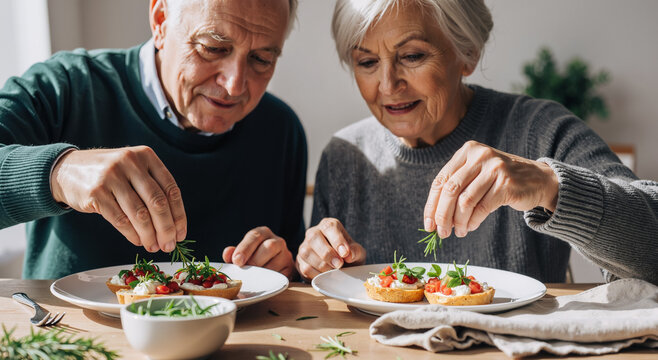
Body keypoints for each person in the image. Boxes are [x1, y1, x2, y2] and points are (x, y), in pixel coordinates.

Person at [297, 0, 658, 285]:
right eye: (367, 61)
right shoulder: (344, 156)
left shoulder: (541, 129)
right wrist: (318, 264)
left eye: (412, 56)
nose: (389, 85)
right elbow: (324, 301)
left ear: (467, 52)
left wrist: (550, 185)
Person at [0, 0, 307, 280]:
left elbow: (291, 275)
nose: (234, 85)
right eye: (213, 48)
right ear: (161, 20)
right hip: (72, 336)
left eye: (261, 59)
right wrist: (60, 172)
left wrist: (284, 269)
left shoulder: (282, 130)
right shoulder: (66, 86)